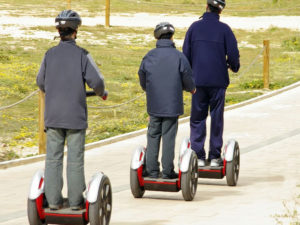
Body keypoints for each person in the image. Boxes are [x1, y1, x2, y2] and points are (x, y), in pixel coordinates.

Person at [36, 10, 106, 210]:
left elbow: (41, 82)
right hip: (75, 116)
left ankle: (54, 202)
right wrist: (102, 92)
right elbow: (97, 82)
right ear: (75, 31)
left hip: (53, 117)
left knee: (53, 159)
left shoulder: (49, 54)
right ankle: (76, 203)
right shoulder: (82, 55)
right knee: (75, 159)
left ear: (59, 31)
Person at [182, 0, 240, 167]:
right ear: (220, 11)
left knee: (197, 118)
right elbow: (234, 54)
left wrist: (189, 76)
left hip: (198, 81)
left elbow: (185, 55)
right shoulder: (225, 30)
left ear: (207, 7)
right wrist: (233, 67)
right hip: (218, 81)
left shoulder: (194, 27)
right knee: (216, 117)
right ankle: (215, 156)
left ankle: (198, 156)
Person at [138, 22, 196, 179]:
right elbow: (187, 76)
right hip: (172, 105)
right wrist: (191, 88)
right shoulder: (179, 56)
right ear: (171, 37)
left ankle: (151, 170)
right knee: (169, 136)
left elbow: (142, 77)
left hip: (154, 104)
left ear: (157, 38)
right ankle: (168, 171)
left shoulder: (149, 56)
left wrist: (147, 88)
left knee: (153, 135)